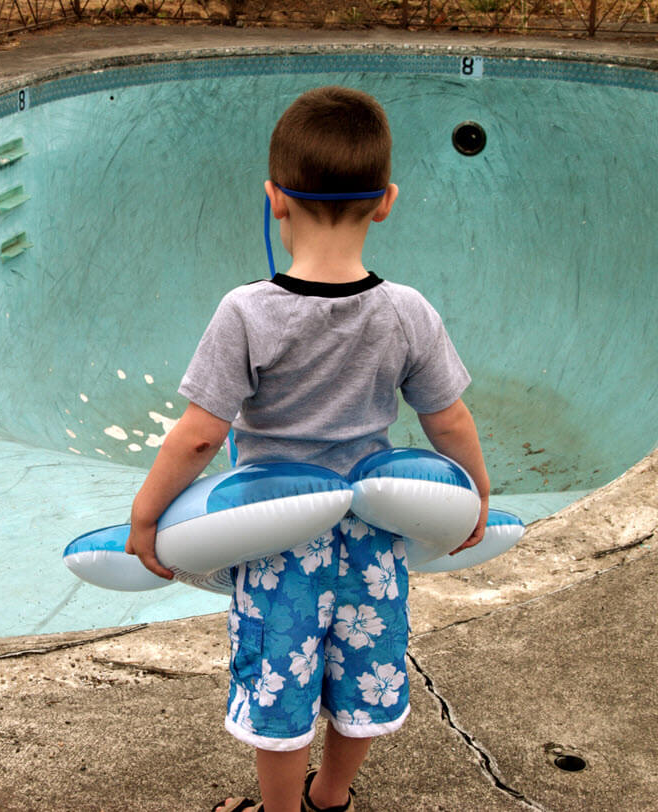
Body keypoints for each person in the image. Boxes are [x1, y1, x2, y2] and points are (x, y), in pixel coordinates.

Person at [126, 86, 490, 812]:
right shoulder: (406, 311)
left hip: (276, 540)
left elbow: (200, 434)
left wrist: (145, 514)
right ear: (385, 201)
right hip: (372, 540)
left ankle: (280, 810)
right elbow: (447, 421)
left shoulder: (247, 313)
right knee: (365, 675)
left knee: (279, 682)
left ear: (274, 199)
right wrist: (474, 497)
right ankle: (331, 799)